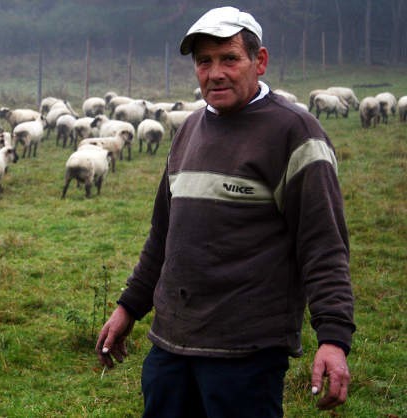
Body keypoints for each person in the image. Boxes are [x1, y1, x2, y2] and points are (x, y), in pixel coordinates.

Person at [95, 6, 355, 418]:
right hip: (171, 343)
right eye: (204, 61)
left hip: (246, 351)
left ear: (260, 61)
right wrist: (129, 306)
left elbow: (323, 245)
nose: (215, 73)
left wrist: (334, 338)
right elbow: (163, 236)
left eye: (229, 59)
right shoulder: (189, 131)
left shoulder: (294, 133)